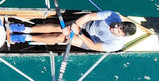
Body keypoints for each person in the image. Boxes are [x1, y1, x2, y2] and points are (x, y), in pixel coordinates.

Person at [9, 11, 138, 52]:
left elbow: (93, 46)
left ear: (122, 35)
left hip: (89, 41)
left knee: (62, 38)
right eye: (118, 25)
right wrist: (76, 25)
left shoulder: (116, 45)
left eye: (118, 30)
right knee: (61, 28)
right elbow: (88, 17)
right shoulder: (112, 15)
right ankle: (24, 29)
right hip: (86, 25)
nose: (114, 27)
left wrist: (79, 34)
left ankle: (24, 38)